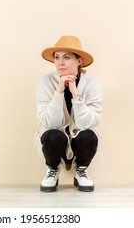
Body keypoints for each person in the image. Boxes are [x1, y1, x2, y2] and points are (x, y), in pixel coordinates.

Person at [34, 36, 102, 192]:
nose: (60, 62)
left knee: (88, 135)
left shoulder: (92, 83)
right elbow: (49, 124)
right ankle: (52, 170)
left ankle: (81, 170)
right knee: (52, 135)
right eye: (57, 57)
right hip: (53, 138)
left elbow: (88, 123)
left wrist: (75, 94)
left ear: (79, 61)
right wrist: (59, 91)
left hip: (80, 139)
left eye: (66, 57)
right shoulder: (45, 82)